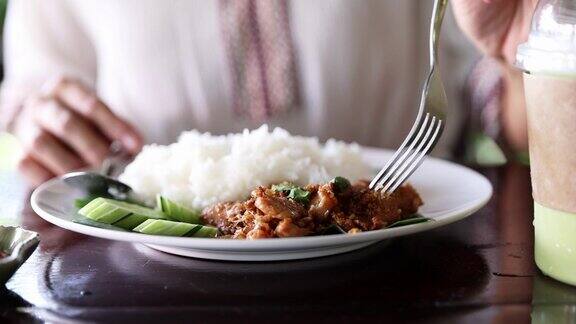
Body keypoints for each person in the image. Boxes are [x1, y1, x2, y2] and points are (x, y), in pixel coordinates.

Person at [0, 0, 535, 186]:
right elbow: (32, 90)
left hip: (417, 268)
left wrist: (526, 52)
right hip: (139, 281)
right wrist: (33, 115)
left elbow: (501, 104)